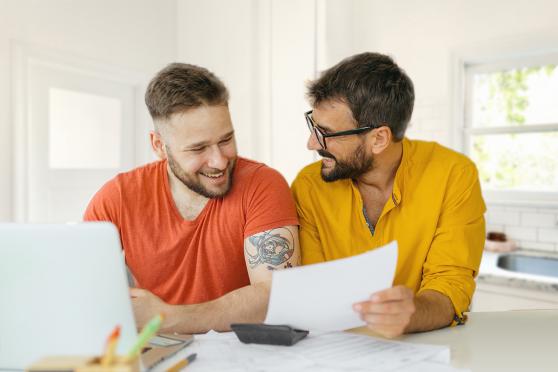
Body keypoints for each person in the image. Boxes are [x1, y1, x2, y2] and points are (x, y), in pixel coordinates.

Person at [84, 63, 300, 333]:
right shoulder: (116, 198)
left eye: (226, 140)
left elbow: (275, 296)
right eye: (198, 148)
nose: (219, 161)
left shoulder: (263, 184)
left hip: (243, 354)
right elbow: (82, 289)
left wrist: (167, 318)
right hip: (157, 351)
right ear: (159, 146)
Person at [292, 52, 485, 338]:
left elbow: (451, 285)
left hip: (422, 348)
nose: (311, 143)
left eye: (326, 133)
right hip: (333, 349)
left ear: (379, 138)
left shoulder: (453, 175)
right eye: (313, 125)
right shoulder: (309, 187)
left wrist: (413, 313)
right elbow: (314, 289)